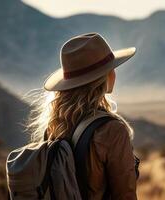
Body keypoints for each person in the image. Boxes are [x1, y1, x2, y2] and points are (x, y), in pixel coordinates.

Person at [25, 32, 139, 200]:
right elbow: (125, 194)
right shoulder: (111, 130)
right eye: (111, 68)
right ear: (102, 77)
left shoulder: (54, 126)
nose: (114, 72)